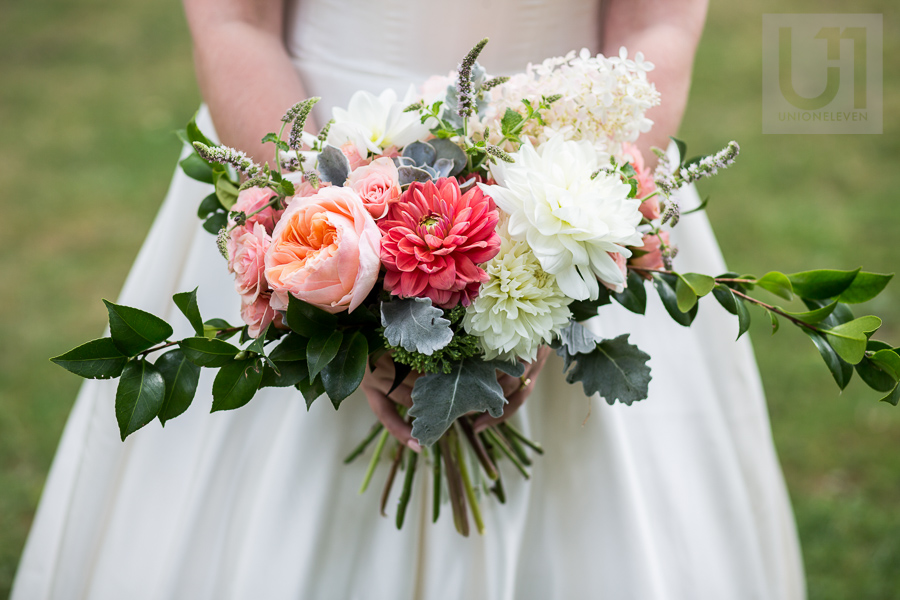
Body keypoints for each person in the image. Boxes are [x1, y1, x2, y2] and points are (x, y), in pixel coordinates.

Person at [12, 0, 806, 598]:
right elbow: (233, 21)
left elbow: (659, 26)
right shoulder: (311, 198)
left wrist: (563, 241)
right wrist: (332, 263)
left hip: (572, 168)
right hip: (303, 156)